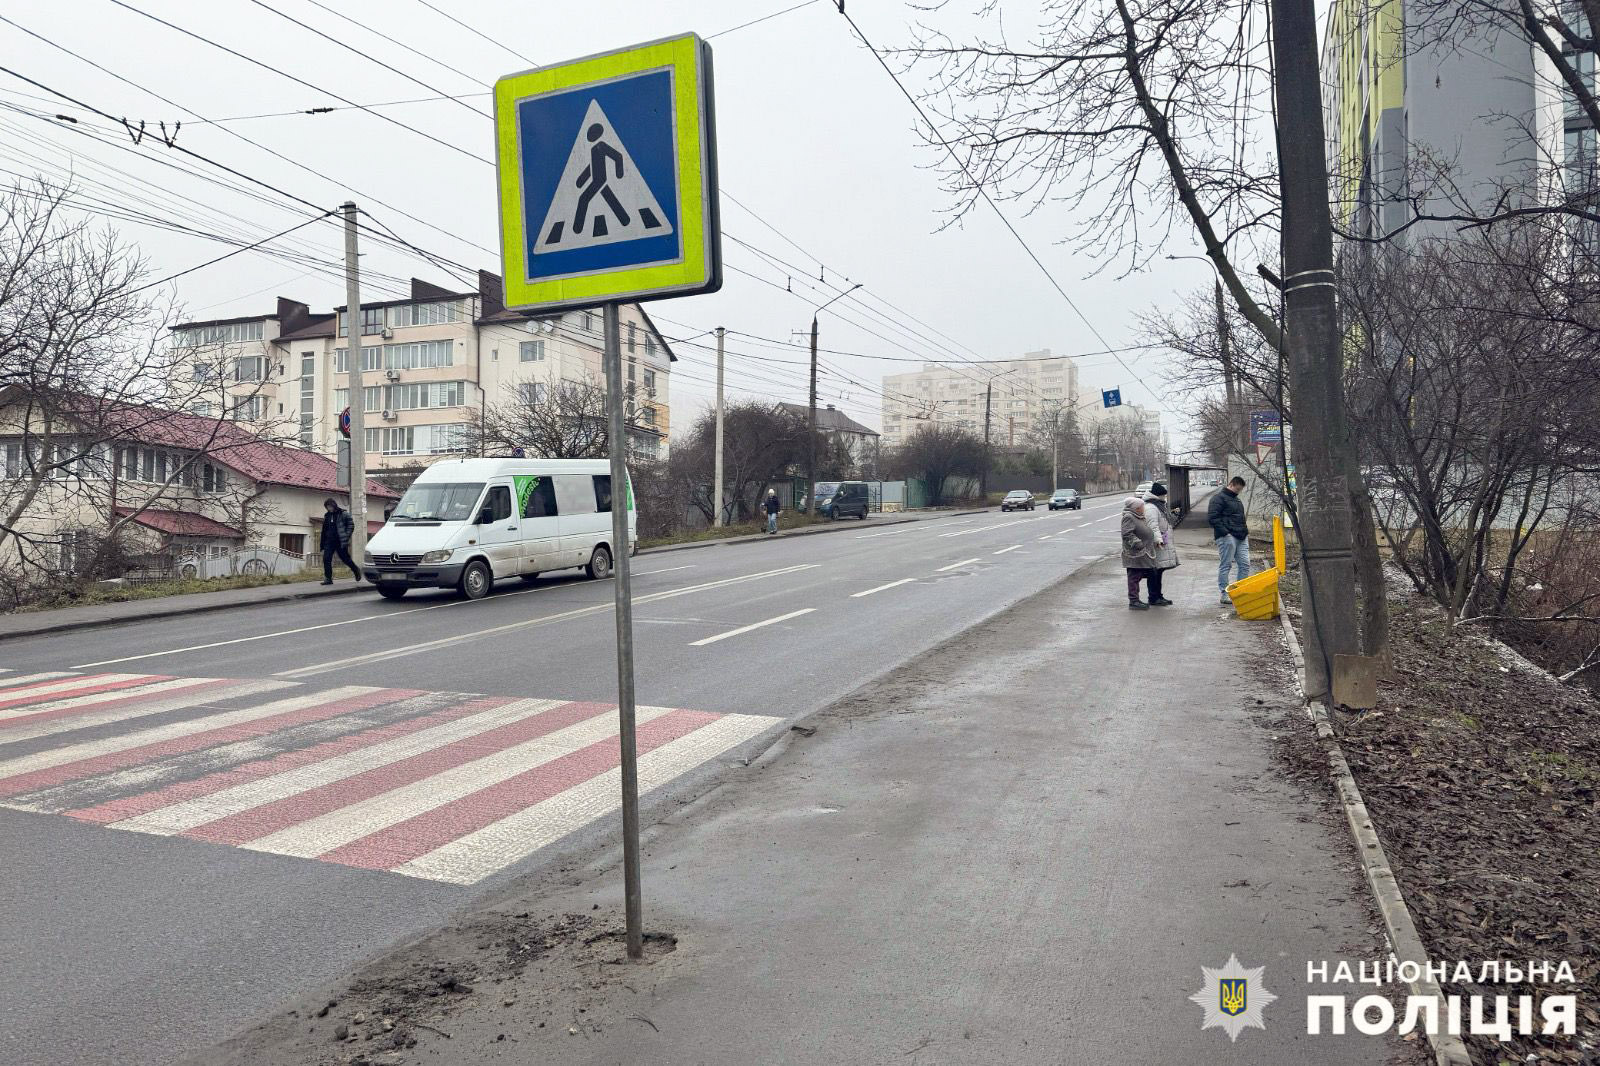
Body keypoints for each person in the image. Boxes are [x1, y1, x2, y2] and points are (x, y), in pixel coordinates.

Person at [1207, 476, 1251, 605]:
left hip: (1241, 536)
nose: (1238, 492)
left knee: (1245, 564)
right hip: (1227, 537)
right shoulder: (1218, 498)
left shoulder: (1236, 500)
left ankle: (1240, 592)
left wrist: (1245, 532)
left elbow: (1240, 518)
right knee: (1226, 565)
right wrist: (1225, 534)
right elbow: (1213, 518)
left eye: (1240, 490)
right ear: (1231, 485)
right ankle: (1224, 594)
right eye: (1237, 489)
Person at [1121, 496, 1160, 610]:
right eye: (1142, 506)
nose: (1144, 508)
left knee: (1148, 574)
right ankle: (1134, 601)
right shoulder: (1129, 517)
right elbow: (1127, 534)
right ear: (1136, 508)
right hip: (1135, 554)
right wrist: (1138, 544)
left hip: (1144, 553)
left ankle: (1147, 598)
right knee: (1134, 577)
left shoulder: (1139, 516)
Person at [1142, 481, 1178, 606]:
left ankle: (1158, 596)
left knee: (1159, 571)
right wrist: (1158, 540)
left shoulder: (1158, 506)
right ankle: (1153, 597)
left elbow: (1165, 522)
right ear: (1158, 495)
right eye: (1163, 495)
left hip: (1161, 543)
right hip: (1156, 545)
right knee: (1154, 572)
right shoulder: (1151, 507)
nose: (1165, 497)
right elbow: (1153, 526)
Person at [320, 497, 359, 585]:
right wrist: (322, 544)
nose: (329, 508)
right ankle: (328, 579)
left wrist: (346, 535)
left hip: (340, 541)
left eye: (330, 506)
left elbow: (351, 525)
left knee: (345, 559)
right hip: (329, 542)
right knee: (326, 559)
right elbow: (324, 530)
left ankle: (355, 570)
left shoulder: (343, 513)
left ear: (334, 505)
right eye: (327, 507)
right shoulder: (327, 516)